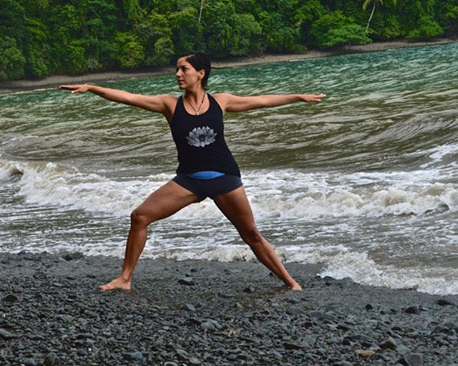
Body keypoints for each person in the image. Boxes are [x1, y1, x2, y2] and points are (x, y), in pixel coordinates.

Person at [60, 52, 324, 291]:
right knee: (140, 217)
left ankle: (290, 283)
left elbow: (263, 101)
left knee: (251, 234)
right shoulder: (169, 105)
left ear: (201, 73)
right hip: (188, 181)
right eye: (177, 69)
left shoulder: (221, 102)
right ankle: (125, 279)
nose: (177, 74)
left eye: (183, 69)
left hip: (225, 178)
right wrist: (93, 88)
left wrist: (298, 97)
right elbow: (129, 98)